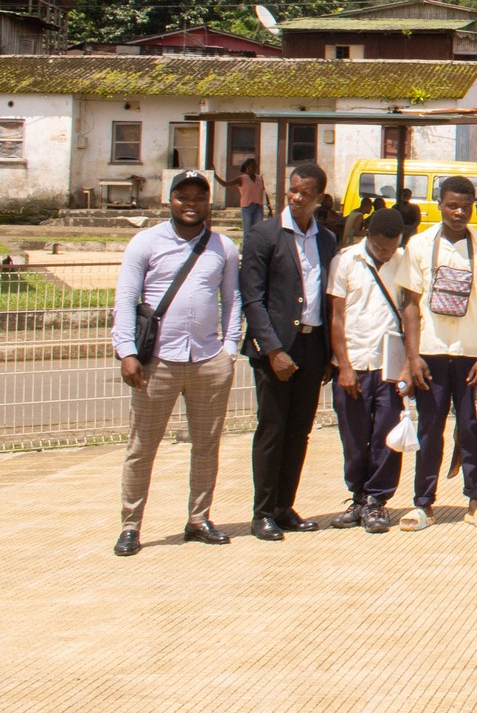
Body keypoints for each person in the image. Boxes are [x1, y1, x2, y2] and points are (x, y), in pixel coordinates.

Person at [110, 170, 241, 556]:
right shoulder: (145, 243)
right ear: (170, 200)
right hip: (156, 363)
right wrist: (127, 353)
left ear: (208, 203)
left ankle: (198, 519)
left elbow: (231, 302)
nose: (191, 204)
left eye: (199, 198)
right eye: (183, 197)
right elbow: (125, 299)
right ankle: (131, 525)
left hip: (207, 360)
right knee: (141, 447)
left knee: (206, 445)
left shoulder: (223, 247)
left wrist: (229, 349)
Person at [397, 175, 477, 531]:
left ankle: (476, 500)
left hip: (472, 353)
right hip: (431, 353)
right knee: (430, 428)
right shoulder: (419, 245)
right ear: (439, 204)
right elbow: (410, 304)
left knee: (472, 427)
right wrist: (412, 357)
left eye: (466, 207)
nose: (459, 213)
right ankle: (423, 504)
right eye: (452, 205)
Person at [241, 160, 338, 541]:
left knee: (300, 431)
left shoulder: (327, 239)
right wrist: (273, 350)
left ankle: (285, 507)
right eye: (292, 190)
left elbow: (328, 299)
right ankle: (262, 511)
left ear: (319, 198)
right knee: (272, 429)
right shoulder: (264, 235)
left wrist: (329, 352)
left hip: (313, 346)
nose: (296, 197)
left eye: (305, 193)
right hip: (276, 348)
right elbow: (253, 298)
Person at [326, 207, 410, 534]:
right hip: (354, 364)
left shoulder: (403, 261)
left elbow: (410, 311)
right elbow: (336, 317)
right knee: (353, 436)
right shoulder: (346, 261)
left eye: (392, 248)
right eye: (380, 248)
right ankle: (358, 497)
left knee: (386, 436)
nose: (387, 254)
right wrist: (344, 366)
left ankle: (377, 500)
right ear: (368, 238)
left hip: (389, 366)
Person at [236, 158, 265, 235]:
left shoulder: (259, 178)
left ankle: (257, 246)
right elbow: (225, 184)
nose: (255, 168)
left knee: (259, 230)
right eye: (253, 166)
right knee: (247, 232)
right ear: (247, 167)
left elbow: (263, 191)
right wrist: (215, 175)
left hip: (258, 207)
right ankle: (247, 247)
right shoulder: (241, 179)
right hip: (247, 207)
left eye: (255, 166)